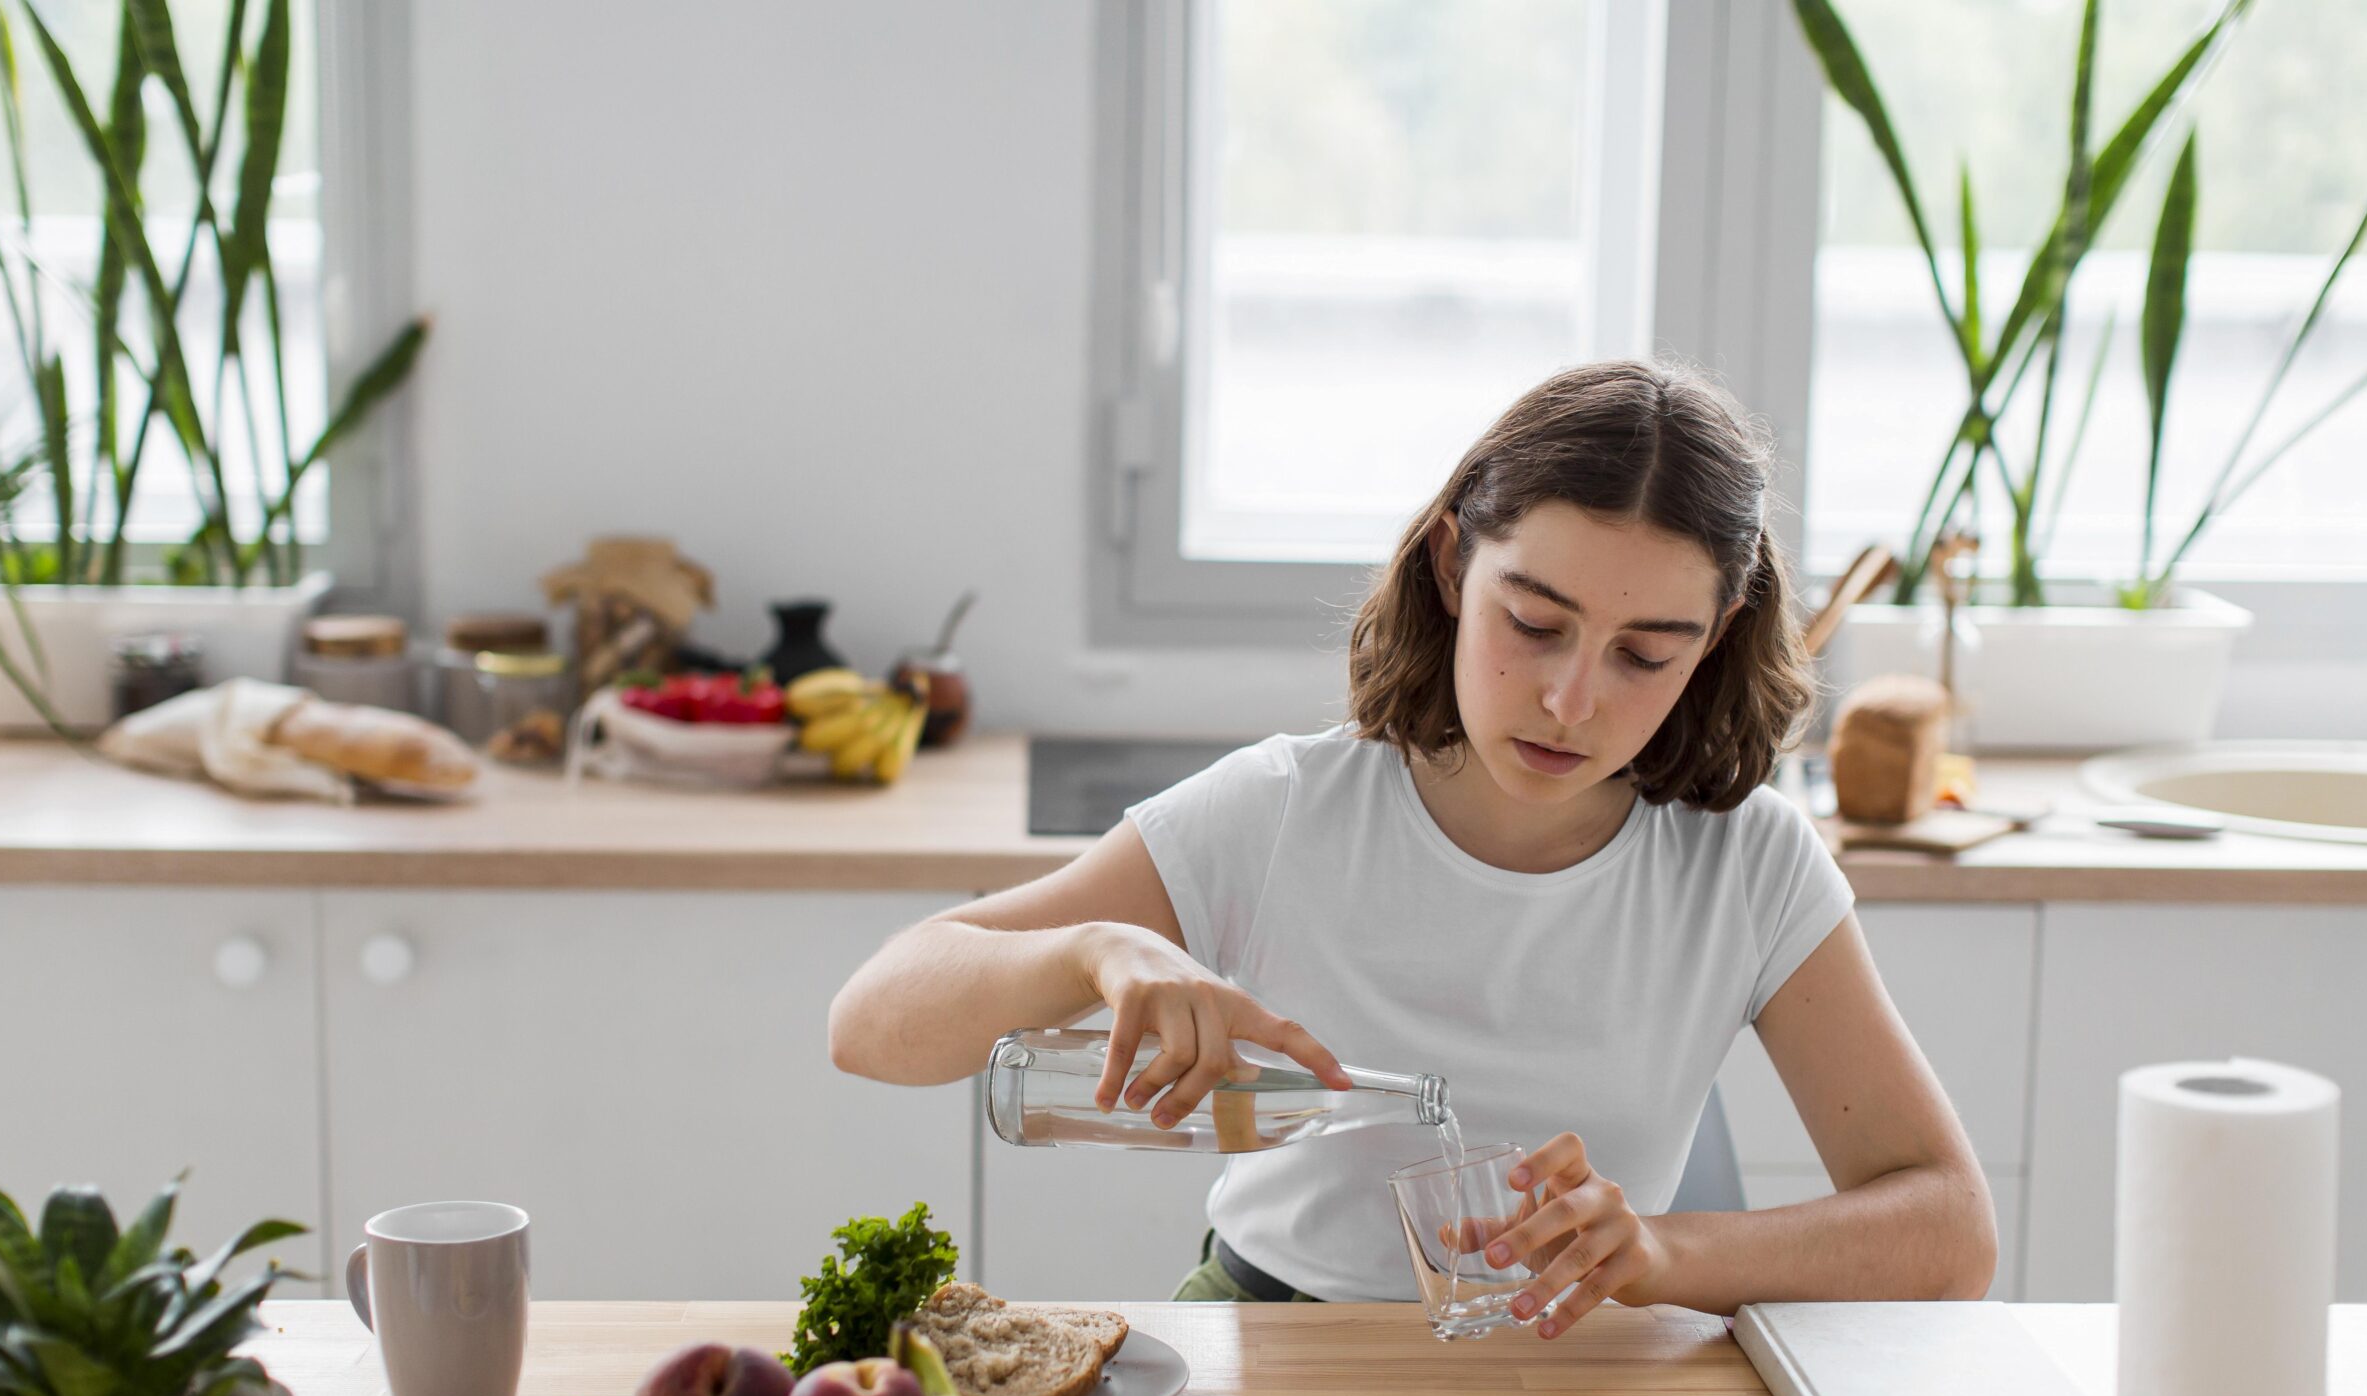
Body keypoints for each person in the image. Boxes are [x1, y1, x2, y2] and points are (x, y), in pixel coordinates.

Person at [829, 360, 1996, 1335]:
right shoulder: (1284, 812)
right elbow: (870, 1023)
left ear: (1717, 638)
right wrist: (1092, 951)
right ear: (1451, 564)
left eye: (1645, 654)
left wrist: (1665, 1251)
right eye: (1533, 625)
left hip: (1582, 1380)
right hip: (1275, 1345)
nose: (1570, 701)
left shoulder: (1746, 867)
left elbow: (1949, 1233)